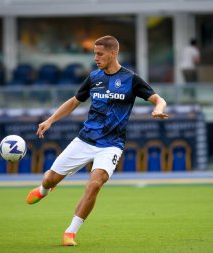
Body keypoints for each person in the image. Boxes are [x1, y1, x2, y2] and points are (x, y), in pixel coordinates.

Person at [26, 35, 168, 246]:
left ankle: (70, 232)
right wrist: (50, 120)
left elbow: (158, 98)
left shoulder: (131, 79)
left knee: (94, 185)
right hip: (85, 140)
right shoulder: (94, 78)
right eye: (94, 53)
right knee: (50, 179)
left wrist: (158, 109)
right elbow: (75, 101)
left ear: (113, 53)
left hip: (111, 145)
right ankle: (45, 189)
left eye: (100, 54)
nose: (95, 58)